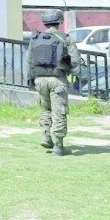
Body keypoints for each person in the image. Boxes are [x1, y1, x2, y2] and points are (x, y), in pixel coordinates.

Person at [27, 9, 80, 156]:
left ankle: (45, 134)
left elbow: (29, 60)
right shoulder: (66, 38)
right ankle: (58, 146)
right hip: (57, 80)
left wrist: (31, 79)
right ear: (60, 21)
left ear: (45, 22)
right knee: (59, 111)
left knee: (46, 109)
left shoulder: (35, 38)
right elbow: (75, 60)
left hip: (39, 79)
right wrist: (75, 74)